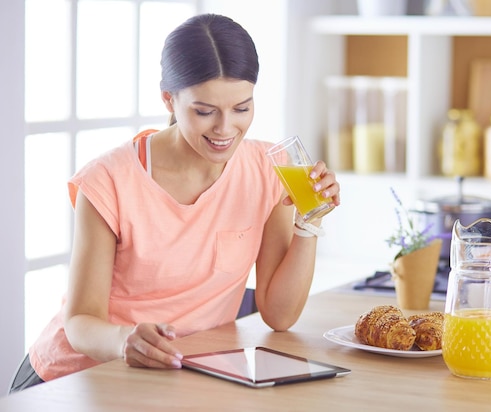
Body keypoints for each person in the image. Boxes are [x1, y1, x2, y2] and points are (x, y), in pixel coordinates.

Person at [9, 13, 340, 393]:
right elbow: (80, 321)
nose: (225, 129)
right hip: (74, 379)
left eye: (242, 108)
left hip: (177, 377)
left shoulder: (269, 169)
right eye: (204, 111)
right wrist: (124, 341)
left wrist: (309, 221)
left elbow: (279, 315)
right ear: (169, 98)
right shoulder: (108, 180)